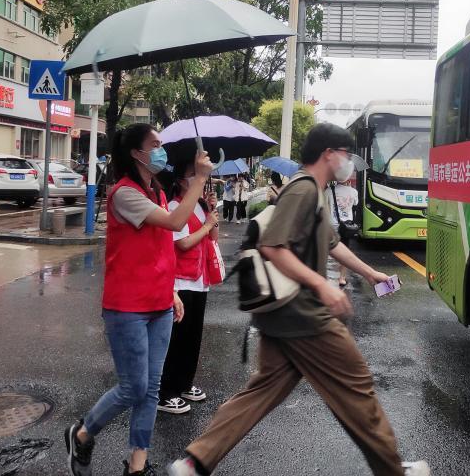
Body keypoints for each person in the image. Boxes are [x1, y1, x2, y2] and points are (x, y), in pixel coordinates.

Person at [167, 123, 430, 476]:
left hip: (282, 316)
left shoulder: (315, 191)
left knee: (260, 392)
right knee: (357, 386)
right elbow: (272, 246)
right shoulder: (304, 190)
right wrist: (321, 286)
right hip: (304, 313)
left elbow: (332, 244)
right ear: (329, 154)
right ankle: (393, 470)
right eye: (346, 155)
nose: (348, 163)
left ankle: (194, 463)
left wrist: (371, 273)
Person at [64, 123, 213, 476]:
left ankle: (137, 464)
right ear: (136, 153)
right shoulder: (123, 194)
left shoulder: (157, 193)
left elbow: (160, 250)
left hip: (159, 304)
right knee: (134, 387)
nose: (161, 149)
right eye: (155, 143)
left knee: (152, 388)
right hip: (127, 307)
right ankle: (83, 433)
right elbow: (177, 222)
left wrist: (172, 291)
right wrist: (200, 181)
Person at [158, 160, 221, 415]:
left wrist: (212, 216)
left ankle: (185, 383)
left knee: (193, 338)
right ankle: (166, 391)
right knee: (177, 339)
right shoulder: (175, 207)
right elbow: (182, 243)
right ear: (181, 181)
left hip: (199, 279)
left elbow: (213, 237)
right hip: (180, 281)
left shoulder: (200, 206)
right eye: (192, 174)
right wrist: (206, 226)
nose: (199, 179)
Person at [328, 173, 359, 287]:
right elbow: (356, 203)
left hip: (332, 225)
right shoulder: (353, 192)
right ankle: (342, 278)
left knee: (327, 249)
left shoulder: (329, 191)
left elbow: (326, 207)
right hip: (346, 226)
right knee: (345, 251)